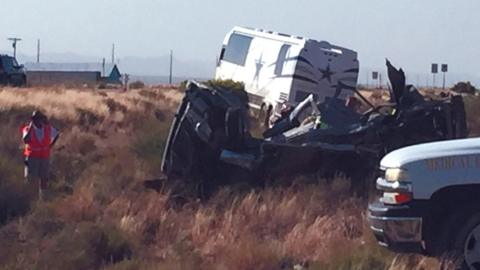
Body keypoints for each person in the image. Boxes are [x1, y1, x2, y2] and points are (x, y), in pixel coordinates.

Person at [21, 111, 59, 200]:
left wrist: (51, 145)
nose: (36, 121)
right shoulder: (27, 129)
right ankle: (29, 198)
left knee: (44, 178)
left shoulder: (48, 128)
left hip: (44, 157)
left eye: (38, 119)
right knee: (31, 179)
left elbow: (57, 134)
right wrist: (31, 127)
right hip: (32, 157)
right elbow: (26, 140)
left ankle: (43, 199)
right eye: (34, 119)